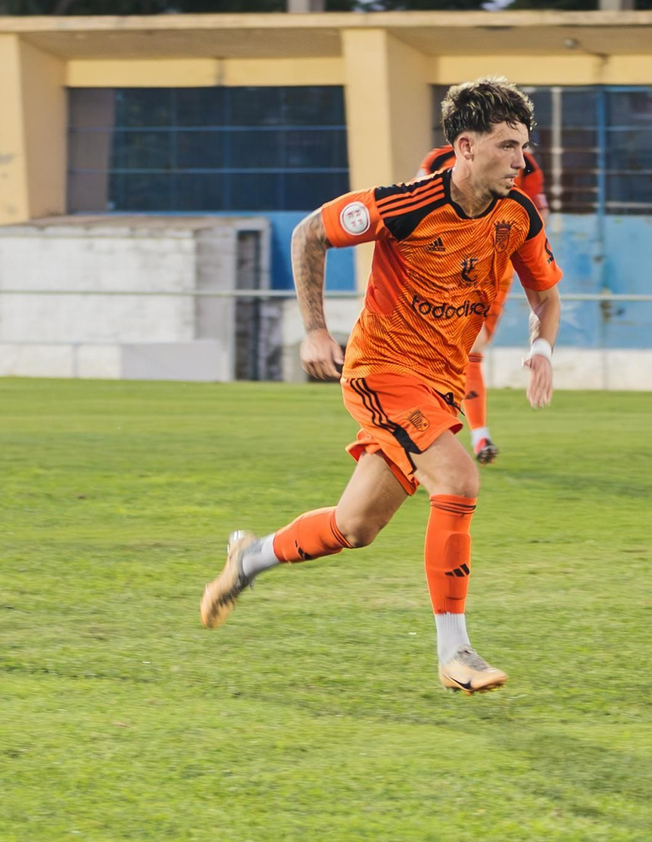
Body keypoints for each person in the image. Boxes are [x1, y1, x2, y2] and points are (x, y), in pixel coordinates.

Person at [200, 77, 563, 695]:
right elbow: (309, 233)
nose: (521, 161)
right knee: (458, 479)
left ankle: (249, 558)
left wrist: (541, 349)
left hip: (439, 386)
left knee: (354, 527)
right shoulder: (407, 204)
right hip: (383, 372)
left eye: (524, 146)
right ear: (466, 147)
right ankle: (456, 652)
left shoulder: (517, 215)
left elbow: (546, 294)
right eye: (508, 146)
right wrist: (316, 331)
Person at [414, 144, 548, 464]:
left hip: (495, 266)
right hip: (444, 263)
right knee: (442, 349)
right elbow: (416, 207)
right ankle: (464, 434)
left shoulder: (526, 163)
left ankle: (472, 434)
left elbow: (537, 216)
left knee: (473, 345)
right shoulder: (437, 160)